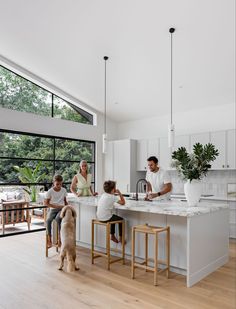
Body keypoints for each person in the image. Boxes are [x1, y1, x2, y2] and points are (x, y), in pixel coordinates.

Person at [45, 174, 68, 248]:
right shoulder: (50, 191)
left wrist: (67, 207)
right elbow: (46, 203)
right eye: (57, 184)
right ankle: (49, 240)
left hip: (61, 209)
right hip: (53, 209)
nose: (59, 186)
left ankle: (60, 240)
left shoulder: (64, 190)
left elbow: (65, 201)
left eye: (60, 184)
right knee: (48, 220)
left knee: (58, 219)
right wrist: (55, 206)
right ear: (53, 183)